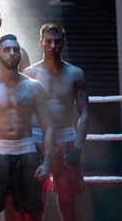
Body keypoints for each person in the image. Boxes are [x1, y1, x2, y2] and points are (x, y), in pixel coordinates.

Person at [0, 34, 54, 221]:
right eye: (7, 49)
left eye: (16, 49)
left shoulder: (34, 87)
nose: (12, 53)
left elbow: (49, 126)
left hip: (26, 152)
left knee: (33, 214)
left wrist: (46, 163)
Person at [23, 23, 89, 221]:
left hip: (65, 138)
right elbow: (20, 113)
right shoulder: (29, 74)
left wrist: (77, 148)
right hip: (36, 139)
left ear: (63, 44)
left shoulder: (75, 74)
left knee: (68, 201)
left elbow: (85, 114)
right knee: (34, 201)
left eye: (57, 42)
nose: (52, 46)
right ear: (41, 43)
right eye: (48, 42)